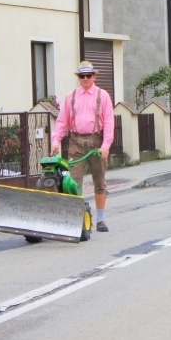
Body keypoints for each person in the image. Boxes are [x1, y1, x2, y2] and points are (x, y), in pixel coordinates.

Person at [51, 61, 115, 232]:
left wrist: (106, 146)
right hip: (76, 142)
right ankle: (75, 219)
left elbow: (109, 122)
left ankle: (100, 220)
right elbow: (62, 122)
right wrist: (55, 141)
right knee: (72, 182)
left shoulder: (103, 96)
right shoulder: (70, 96)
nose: (85, 79)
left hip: (96, 142)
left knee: (100, 181)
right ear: (78, 78)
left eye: (88, 75)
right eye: (82, 76)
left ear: (94, 76)